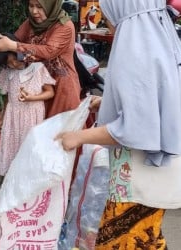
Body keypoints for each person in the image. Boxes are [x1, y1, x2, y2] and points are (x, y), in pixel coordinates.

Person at [56, 0, 181, 248]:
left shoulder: (134, 48)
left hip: (139, 180)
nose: (106, 22)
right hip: (161, 175)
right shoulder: (158, 38)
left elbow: (135, 129)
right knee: (148, 239)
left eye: (106, 14)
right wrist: (110, 103)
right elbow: (158, 101)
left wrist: (78, 137)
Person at [0, 0, 81, 118]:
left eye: (40, 7)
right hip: (35, 89)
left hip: (61, 89)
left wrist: (13, 46)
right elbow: (13, 40)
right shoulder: (30, 23)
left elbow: (48, 51)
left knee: (62, 133)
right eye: (31, 6)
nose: (34, 11)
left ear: (51, 5)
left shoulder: (64, 26)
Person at [0, 51, 55, 176]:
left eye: (14, 60)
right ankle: (12, 179)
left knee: (30, 147)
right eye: (9, 63)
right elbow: (7, 97)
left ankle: (30, 180)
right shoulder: (7, 72)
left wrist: (32, 98)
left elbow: (50, 92)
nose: (14, 64)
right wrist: (2, 117)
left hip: (32, 117)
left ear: (20, 55)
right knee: (13, 147)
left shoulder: (38, 68)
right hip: (13, 117)